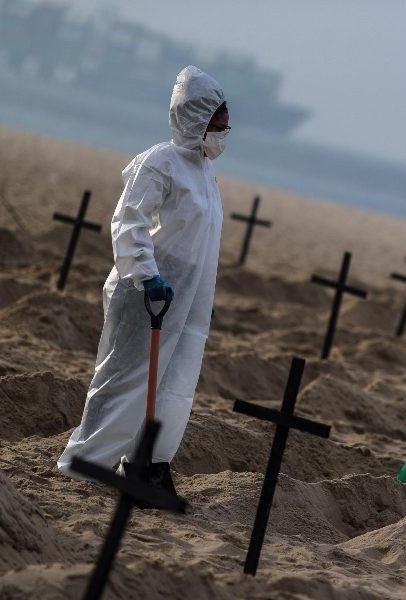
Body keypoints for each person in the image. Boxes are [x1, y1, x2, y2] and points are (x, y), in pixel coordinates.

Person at [58, 66, 230, 495]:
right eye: (217, 126)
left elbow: (202, 241)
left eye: (226, 128)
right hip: (147, 295)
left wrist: (203, 296)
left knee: (175, 388)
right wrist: (146, 275)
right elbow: (130, 222)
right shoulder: (159, 163)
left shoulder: (207, 176)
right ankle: (84, 464)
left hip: (188, 302)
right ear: (196, 119)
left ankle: (147, 463)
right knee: (124, 380)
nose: (222, 136)